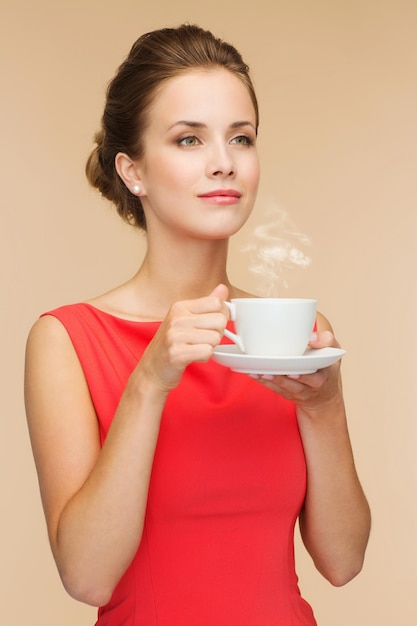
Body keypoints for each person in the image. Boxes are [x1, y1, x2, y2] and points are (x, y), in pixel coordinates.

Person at [24, 24, 371, 625]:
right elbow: (87, 576)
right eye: (189, 140)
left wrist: (326, 405)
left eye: (241, 138)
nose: (223, 164)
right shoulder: (67, 340)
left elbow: (343, 560)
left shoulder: (294, 338)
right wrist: (148, 382)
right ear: (133, 172)